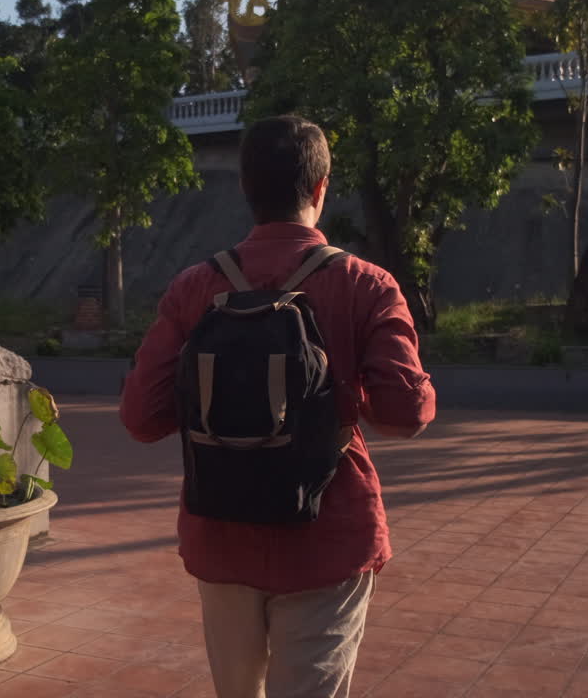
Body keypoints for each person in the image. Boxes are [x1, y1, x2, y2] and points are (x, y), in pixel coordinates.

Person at [120, 115, 436, 698]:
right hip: (328, 534)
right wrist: (341, 390)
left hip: (220, 533)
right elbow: (406, 412)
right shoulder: (367, 285)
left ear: (247, 190)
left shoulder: (195, 287)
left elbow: (141, 417)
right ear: (320, 188)